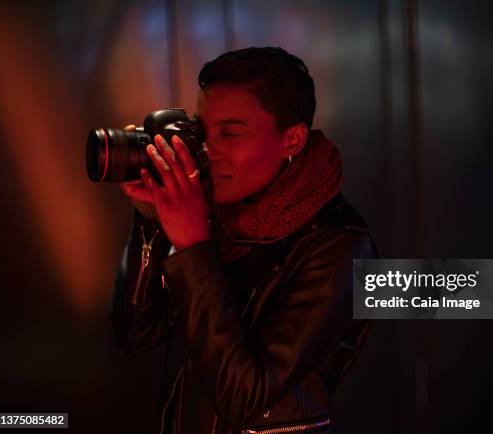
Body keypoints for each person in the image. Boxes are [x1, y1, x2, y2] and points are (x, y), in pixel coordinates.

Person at [109, 46, 378, 434]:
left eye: (230, 133)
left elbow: (244, 399)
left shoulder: (341, 247)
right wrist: (152, 220)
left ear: (292, 140)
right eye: (202, 132)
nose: (207, 150)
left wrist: (193, 247)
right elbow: (134, 333)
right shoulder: (211, 216)